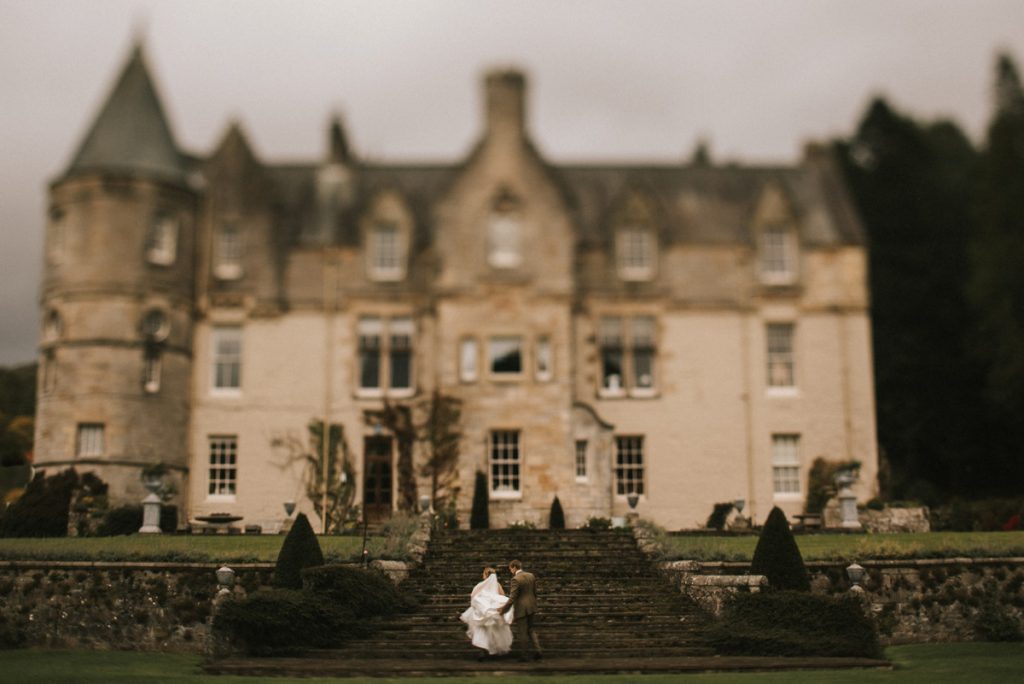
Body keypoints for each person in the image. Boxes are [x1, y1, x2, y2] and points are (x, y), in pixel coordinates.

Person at [459, 566, 513, 659]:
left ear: (486, 574)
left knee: (481, 631)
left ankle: (482, 651)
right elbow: (502, 595)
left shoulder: (481, 584)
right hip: (493, 613)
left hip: (482, 612)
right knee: (493, 632)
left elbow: (473, 595)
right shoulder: (497, 584)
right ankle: (492, 651)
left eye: (483, 573)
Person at [499, 559, 542, 661]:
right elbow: (535, 592)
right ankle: (538, 651)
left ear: (514, 567)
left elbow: (512, 598)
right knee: (531, 630)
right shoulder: (531, 575)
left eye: (510, 569)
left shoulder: (515, 579)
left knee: (522, 633)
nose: (510, 571)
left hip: (521, 609)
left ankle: (524, 656)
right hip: (532, 607)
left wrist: (503, 611)